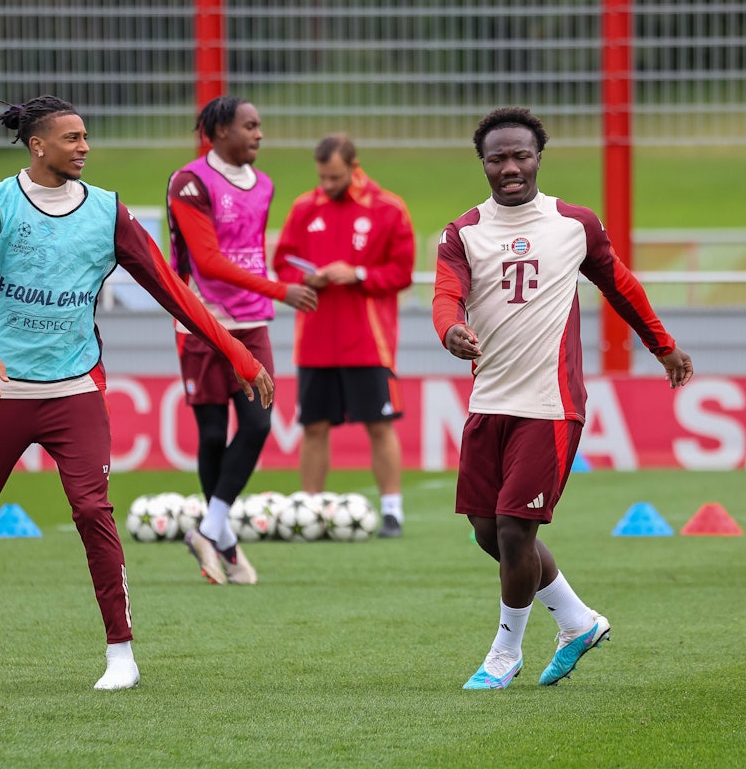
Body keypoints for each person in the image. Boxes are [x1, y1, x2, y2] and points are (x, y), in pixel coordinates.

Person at [0, 96, 275, 690]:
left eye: (86, 136)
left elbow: (172, 289)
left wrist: (239, 354)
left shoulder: (108, 213)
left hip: (76, 389)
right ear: (38, 146)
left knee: (93, 510)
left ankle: (121, 654)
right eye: (72, 138)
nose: (85, 147)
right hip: (4, 390)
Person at [432, 107, 694, 690]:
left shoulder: (574, 224)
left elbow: (620, 285)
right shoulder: (462, 231)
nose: (510, 167)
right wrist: (449, 328)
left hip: (551, 403)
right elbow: (447, 293)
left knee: (513, 531)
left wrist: (664, 346)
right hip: (489, 398)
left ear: (538, 158)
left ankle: (505, 652)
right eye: (497, 157)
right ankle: (577, 621)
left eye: (520, 155)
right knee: (484, 528)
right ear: (483, 163)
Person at [167, 96, 316, 584]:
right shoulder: (189, 182)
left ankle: (209, 530)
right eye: (250, 126)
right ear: (220, 132)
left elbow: (247, 252)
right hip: (203, 320)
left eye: (259, 125)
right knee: (211, 434)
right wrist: (281, 289)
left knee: (256, 424)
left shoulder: (264, 184)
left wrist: (271, 290)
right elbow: (207, 261)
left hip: (251, 321)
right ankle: (225, 542)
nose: (259, 134)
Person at [273, 134, 415, 538]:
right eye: (321, 177)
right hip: (315, 340)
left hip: (369, 342)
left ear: (354, 166)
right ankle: (310, 511)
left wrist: (359, 274)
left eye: (334, 177)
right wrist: (306, 278)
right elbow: (281, 263)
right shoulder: (304, 207)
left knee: (379, 425)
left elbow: (402, 272)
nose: (327, 184)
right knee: (314, 426)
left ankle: (392, 511)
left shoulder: (388, 208)